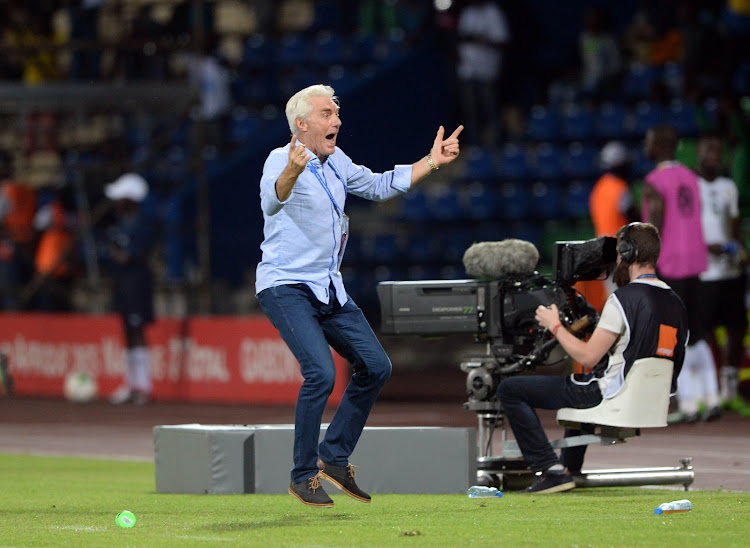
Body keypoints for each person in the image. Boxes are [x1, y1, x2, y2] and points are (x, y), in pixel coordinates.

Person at [255, 84, 463, 507]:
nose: (338, 120)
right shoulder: (281, 158)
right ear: (302, 125)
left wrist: (432, 162)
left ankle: (333, 457)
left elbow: (381, 186)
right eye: (328, 114)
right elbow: (272, 200)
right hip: (286, 285)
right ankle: (302, 475)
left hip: (329, 287)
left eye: (337, 113)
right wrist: (293, 170)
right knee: (322, 374)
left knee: (376, 366)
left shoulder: (337, 161)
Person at [498, 222, 688, 494]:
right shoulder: (676, 303)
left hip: (611, 393)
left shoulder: (623, 299)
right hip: (653, 397)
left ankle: (549, 471)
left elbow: (587, 355)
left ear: (628, 252)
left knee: (510, 389)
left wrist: (555, 325)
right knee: (586, 380)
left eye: (619, 254)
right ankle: (568, 469)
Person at [641, 124, 716, 423]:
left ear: (659, 146)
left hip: (670, 263)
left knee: (674, 336)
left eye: (648, 140)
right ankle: (711, 397)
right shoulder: (691, 176)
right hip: (696, 262)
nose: (644, 146)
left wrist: (645, 257)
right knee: (697, 333)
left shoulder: (653, 181)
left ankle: (687, 403)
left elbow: (656, 217)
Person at [696, 134, 750, 414]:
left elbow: (734, 222)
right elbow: (687, 228)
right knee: (704, 330)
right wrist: (706, 247)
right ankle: (712, 386)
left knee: (736, 328)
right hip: (704, 272)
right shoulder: (691, 187)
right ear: (699, 154)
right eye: (710, 150)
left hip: (730, 270)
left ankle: (729, 389)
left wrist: (740, 249)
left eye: (719, 151)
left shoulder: (729, 186)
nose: (714, 156)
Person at [102, 173, 155, 406]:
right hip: (122, 282)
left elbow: (133, 254)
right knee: (126, 331)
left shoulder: (142, 224)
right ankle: (131, 383)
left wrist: (122, 255)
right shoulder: (119, 224)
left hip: (137, 281)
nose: (117, 203)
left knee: (137, 330)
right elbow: (113, 253)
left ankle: (143, 385)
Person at [455, 0, 510, 147]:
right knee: (470, 113)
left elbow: (502, 40)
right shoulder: (467, 12)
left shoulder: (493, 12)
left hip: (487, 71)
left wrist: (480, 39)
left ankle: (495, 146)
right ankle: (475, 148)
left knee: (490, 111)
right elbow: (461, 37)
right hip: (467, 70)